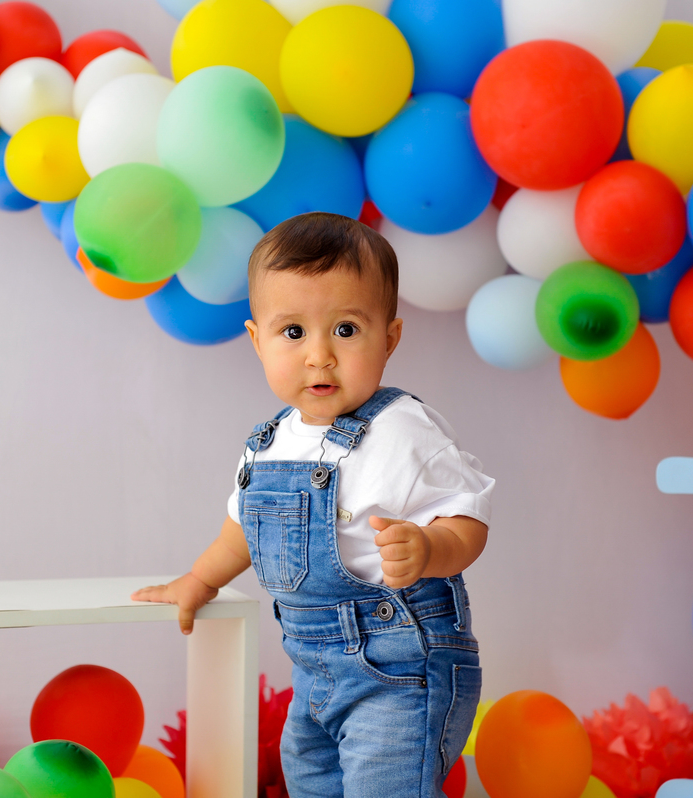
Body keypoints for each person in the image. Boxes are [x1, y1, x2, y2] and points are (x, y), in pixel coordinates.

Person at [132, 212, 494, 798]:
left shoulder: (404, 430)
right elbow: (242, 531)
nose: (319, 354)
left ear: (389, 338)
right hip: (313, 672)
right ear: (258, 340)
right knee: (311, 785)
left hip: (401, 669)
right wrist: (200, 579)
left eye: (346, 330)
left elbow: (468, 517)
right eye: (294, 332)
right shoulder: (268, 443)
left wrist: (431, 547)